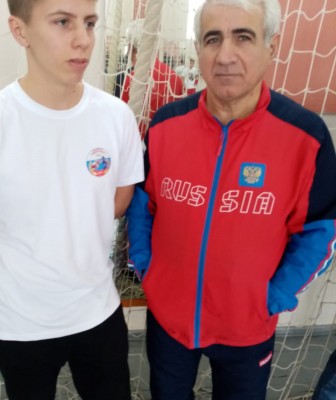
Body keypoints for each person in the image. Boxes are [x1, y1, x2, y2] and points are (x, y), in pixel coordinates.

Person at [125, 0, 336, 399]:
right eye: (212, 39)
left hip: (248, 328)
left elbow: (319, 229)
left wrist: (272, 297)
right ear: (198, 48)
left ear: (271, 45)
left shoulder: (305, 137)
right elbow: (142, 204)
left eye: (243, 37)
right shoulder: (166, 125)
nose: (225, 56)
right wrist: (147, 268)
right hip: (169, 321)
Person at [0, 0, 144, 399]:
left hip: (97, 311)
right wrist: (26, 261)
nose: (83, 39)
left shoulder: (116, 117)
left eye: (89, 23)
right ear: (20, 31)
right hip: (21, 322)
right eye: (62, 22)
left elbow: (117, 200)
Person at [116, 19, 183, 138]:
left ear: (131, 46)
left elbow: (121, 120)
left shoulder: (127, 78)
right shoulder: (175, 78)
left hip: (136, 142)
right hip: (165, 142)